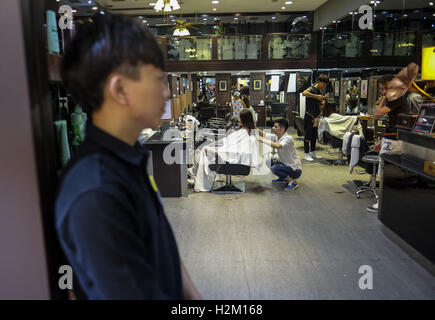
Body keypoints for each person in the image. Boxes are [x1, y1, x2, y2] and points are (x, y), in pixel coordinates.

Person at [56, 14, 201, 300]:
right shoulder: (96, 191)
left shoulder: (129, 157)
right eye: (158, 80)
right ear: (120, 89)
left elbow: (163, 249)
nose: (168, 92)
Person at [367, 69, 413, 213]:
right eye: (381, 89)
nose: (383, 92)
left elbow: (378, 113)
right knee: (387, 171)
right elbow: (389, 121)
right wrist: (382, 140)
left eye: (386, 88)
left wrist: (384, 99)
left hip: (396, 140)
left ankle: (382, 203)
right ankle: (387, 201)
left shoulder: (396, 98)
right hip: (392, 138)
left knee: (387, 172)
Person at [188, 109, 259, 192]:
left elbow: (234, 151)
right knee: (204, 150)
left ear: (243, 120)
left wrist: (216, 151)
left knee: (204, 150)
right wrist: (216, 150)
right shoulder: (248, 132)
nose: (238, 120)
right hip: (236, 160)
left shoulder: (243, 133)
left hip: (234, 162)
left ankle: (194, 174)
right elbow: (231, 147)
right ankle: (195, 174)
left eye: (239, 118)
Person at [257, 118, 302, 191]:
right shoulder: (276, 136)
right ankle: (283, 177)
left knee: (275, 168)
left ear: (282, 129)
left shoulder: (288, 138)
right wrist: (252, 127)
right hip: (286, 164)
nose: (273, 128)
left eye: (276, 127)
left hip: (295, 170)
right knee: (269, 162)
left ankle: (292, 181)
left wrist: (260, 139)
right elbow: (264, 134)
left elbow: (278, 146)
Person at [302, 74, 329, 161]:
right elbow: (304, 93)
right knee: (308, 135)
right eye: (324, 84)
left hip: (316, 116)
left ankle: (312, 152)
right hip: (309, 116)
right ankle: (306, 153)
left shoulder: (319, 91)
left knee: (314, 135)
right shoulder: (311, 89)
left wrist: (322, 102)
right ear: (319, 82)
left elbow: (319, 104)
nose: (324, 86)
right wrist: (316, 96)